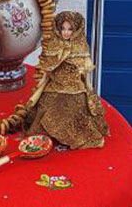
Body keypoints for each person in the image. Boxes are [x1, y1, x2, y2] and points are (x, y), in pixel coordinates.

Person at [26, 11, 109, 149]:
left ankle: (73, 135)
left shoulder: (81, 48)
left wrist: (89, 90)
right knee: (47, 103)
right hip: (55, 84)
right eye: (63, 28)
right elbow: (47, 71)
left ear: (76, 30)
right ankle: (48, 133)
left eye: (70, 29)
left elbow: (85, 74)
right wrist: (40, 86)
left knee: (77, 105)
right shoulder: (53, 46)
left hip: (75, 86)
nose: (66, 32)